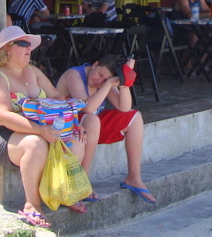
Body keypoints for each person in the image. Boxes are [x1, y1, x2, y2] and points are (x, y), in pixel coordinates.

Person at [0, 26, 111, 228]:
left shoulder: (33, 71)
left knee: (75, 140)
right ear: (7, 49)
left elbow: (56, 96)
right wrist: (40, 130)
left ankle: (66, 192)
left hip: (38, 129)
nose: (28, 48)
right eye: (23, 44)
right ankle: (32, 205)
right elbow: (3, 115)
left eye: (29, 44)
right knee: (35, 143)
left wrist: (73, 123)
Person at [56, 53, 156, 204]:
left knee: (134, 117)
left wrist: (124, 81)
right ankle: (83, 179)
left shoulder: (104, 83)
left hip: (89, 130)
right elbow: (87, 108)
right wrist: (108, 83)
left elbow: (124, 107)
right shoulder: (74, 75)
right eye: (100, 74)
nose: (99, 81)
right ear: (95, 64)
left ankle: (134, 178)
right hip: (65, 127)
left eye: (104, 79)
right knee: (92, 118)